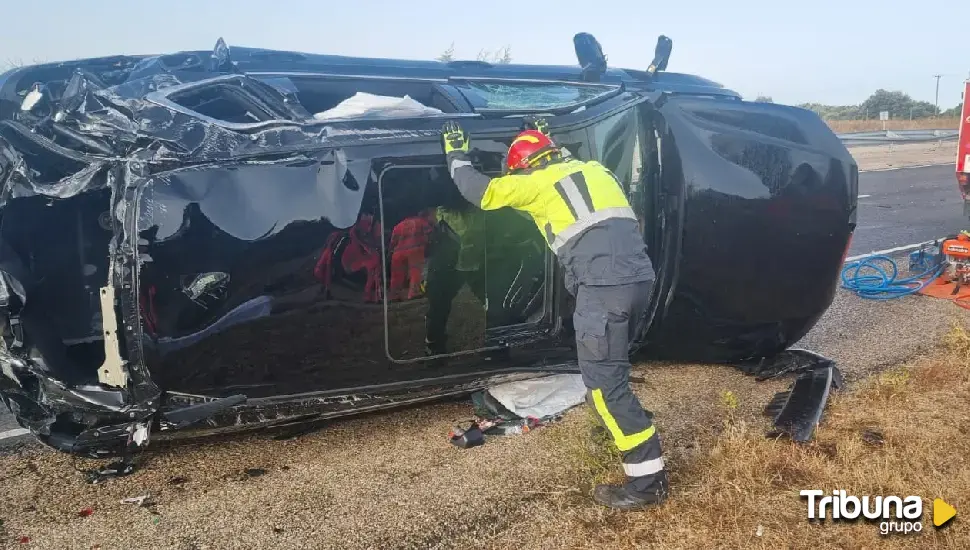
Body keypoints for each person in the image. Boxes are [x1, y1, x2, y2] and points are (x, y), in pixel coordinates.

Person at [439, 117, 668, 510]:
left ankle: (647, 484)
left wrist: (456, 154)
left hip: (602, 290)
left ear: (524, 167)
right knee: (613, 371)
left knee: (604, 385)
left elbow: (479, 191)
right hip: (639, 282)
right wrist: (548, 134)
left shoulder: (534, 183)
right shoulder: (595, 170)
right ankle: (619, 425)